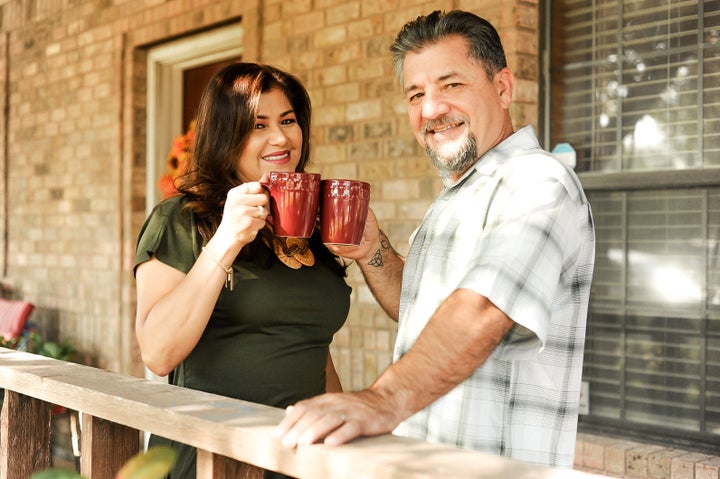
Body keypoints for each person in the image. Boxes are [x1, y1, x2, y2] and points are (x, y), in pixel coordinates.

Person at [277, 10, 595, 469]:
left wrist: (381, 400)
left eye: (451, 85)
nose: (430, 109)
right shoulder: (459, 194)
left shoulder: (537, 181)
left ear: (503, 88)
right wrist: (374, 251)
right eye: (416, 94)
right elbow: (426, 313)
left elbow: (483, 309)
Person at [134, 62, 351, 479]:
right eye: (259, 125)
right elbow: (158, 353)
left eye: (288, 120)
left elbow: (309, 345)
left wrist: (336, 456)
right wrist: (226, 240)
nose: (280, 137)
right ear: (225, 136)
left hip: (295, 459)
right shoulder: (181, 218)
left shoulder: (308, 225)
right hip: (208, 458)